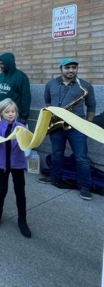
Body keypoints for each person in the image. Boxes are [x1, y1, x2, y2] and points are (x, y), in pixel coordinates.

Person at [38, 58, 96, 201]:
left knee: (81, 158)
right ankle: (54, 177)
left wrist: (87, 125)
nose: (71, 70)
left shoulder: (85, 85)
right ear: (61, 68)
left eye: (74, 68)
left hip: (77, 127)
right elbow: (48, 102)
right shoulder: (51, 84)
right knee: (57, 153)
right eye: (67, 67)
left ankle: (85, 186)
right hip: (57, 125)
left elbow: (91, 107)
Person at [0, 99, 31, 238]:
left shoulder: (21, 127)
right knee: (1, 189)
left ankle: (22, 220)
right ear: (1, 113)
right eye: (7, 112)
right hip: (2, 165)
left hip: (17, 165)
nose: (10, 114)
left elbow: (27, 142)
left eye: (13, 111)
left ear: (16, 112)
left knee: (20, 191)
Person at [0, 53, 31, 126]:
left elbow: (26, 97)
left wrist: (24, 117)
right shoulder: (1, 76)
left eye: (2, 64)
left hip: (15, 116)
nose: (0, 66)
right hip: (2, 114)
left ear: (8, 63)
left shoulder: (21, 77)